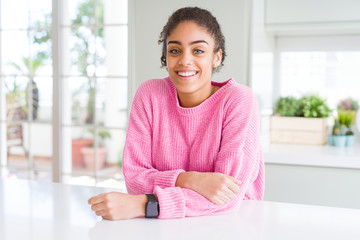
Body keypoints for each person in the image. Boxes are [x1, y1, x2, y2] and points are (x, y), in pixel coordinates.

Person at [88, 6, 264, 220]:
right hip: (162, 228)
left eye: (198, 50)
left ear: (216, 57)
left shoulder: (238, 100)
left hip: (227, 224)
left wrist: (146, 204)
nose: (184, 60)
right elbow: (135, 179)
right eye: (175, 50)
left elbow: (226, 195)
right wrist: (189, 179)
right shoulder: (150, 94)